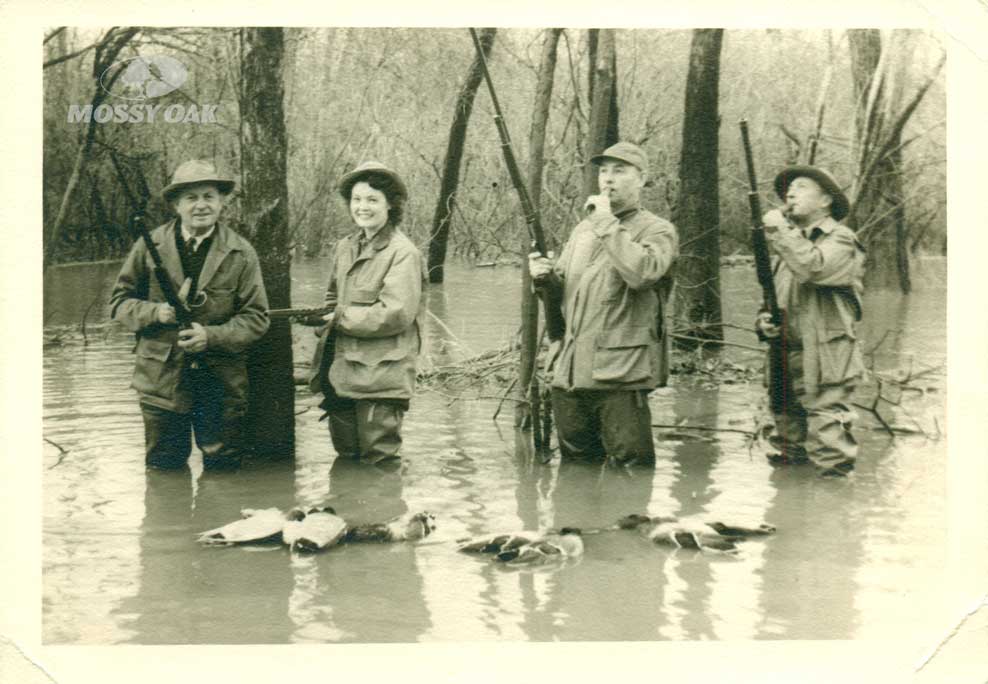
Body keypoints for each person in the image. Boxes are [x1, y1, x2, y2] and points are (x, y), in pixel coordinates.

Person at [109, 159, 269, 471]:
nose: (201, 206)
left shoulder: (241, 252)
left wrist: (210, 336)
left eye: (209, 196)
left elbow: (256, 317)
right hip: (161, 380)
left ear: (222, 202)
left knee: (223, 472)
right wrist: (158, 313)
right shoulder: (149, 244)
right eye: (191, 198)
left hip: (220, 380)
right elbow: (119, 302)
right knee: (163, 473)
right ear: (175, 204)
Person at [529, 142, 679, 466]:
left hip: (621, 376)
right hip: (570, 373)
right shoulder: (583, 230)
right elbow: (566, 290)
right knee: (575, 471)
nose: (608, 179)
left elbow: (642, 273)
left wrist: (607, 223)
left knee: (631, 473)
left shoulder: (658, 230)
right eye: (603, 171)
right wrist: (543, 278)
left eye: (619, 171)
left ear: (642, 179)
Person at [308, 161, 426, 467]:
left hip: (383, 377)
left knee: (380, 462)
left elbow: (395, 314)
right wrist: (323, 316)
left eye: (372, 200)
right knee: (346, 459)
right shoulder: (344, 247)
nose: (363, 207)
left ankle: (382, 515)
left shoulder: (403, 253)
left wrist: (337, 317)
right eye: (357, 199)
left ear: (391, 205)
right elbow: (332, 296)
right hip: (341, 373)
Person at [755, 165, 866, 478]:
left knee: (830, 450)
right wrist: (763, 324)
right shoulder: (788, 246)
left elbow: (814, 269)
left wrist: (780, 231)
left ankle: (829, 521)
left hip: (825, 358)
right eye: (789, 189)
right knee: (787, 449)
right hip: (783, 357)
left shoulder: (842, 240)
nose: (790, 193)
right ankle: (791, 519)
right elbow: (771, 301)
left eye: (801, 187)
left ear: (826, 200)